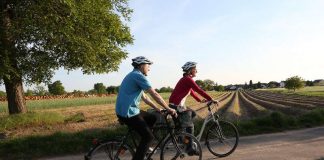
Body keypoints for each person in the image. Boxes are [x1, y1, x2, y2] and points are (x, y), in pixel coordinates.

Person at [115, 56, 177, 160]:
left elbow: (145, 97)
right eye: (148, 65)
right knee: (149, 137)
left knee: (152, 118)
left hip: (126, 110)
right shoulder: (138, 76)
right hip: (128, 112)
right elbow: (154, 94)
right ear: (141, 65)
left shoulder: (133, 75)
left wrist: (157, 108)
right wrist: (168, 108)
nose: (149, 68)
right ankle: (141, 152)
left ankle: (144, 146)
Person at [169, 61, 219, 155]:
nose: (196, 70)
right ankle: (190, 148)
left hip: (175, 105)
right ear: (190, 70)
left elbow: (192, 92)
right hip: (176, 106)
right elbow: (198, 89)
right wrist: (211, 99)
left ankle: (182, 138)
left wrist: (200, 100)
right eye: (195, 69)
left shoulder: (186, 79)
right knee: (190, 126)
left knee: (193, 114)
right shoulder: (187, 79)